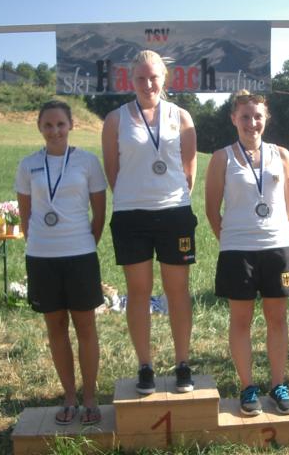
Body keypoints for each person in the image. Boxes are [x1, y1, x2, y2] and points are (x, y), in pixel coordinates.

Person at [102, 50, 198, 394]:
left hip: (174, 213)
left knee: (177, 291)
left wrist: (168, 198)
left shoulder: (181, 116)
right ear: (131, 80)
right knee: (138, 292)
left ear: (164, 78)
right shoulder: (116, 119)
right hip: (131, 215)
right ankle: (145, 366)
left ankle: (183, 364)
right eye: (140, 78)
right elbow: (112, 171)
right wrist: (135, 195)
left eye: (153, 77)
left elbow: (189, 171)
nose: (147, 84)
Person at [205, 90, 289, 417]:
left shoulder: (282, 155)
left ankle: (278, 385)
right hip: (238, 251)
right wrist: (233, 239)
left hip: (278, 248)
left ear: (266, 118)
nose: (252, 123)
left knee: (277, 319)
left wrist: (274, 233)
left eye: (258, 116)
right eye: (245, 116)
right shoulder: (222, 158)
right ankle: (248, 388)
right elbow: (212, 210)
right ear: (234, 118)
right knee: (241, 320)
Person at [15, 100, 107, 425]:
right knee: (56, 328)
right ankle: (69, 396)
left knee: (86, 327)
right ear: (40, 128)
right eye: (48, 125)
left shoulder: (88, 162)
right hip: (42, 257)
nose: (55, 131)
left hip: (80, 255)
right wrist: (41, 243)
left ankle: (90, 397)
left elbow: (99, 215)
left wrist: (83, 243)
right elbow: (25, 217)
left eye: (60, 124)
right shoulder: (28, 165)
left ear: (71, 126)